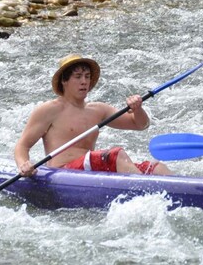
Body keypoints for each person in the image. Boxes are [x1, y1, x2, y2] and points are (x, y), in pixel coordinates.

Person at [14, 54, 171, 177]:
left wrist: (137, 109)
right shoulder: (49, 110)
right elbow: (22, 146)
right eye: (78, 77)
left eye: (87, 76)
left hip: (90, 170)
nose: (84, 82)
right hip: (64, 173)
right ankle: (147, 191)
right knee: (115, 155)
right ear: (64, 81)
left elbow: (140, 125)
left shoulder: (98, 110)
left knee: (156, 167)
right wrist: (24, 165)